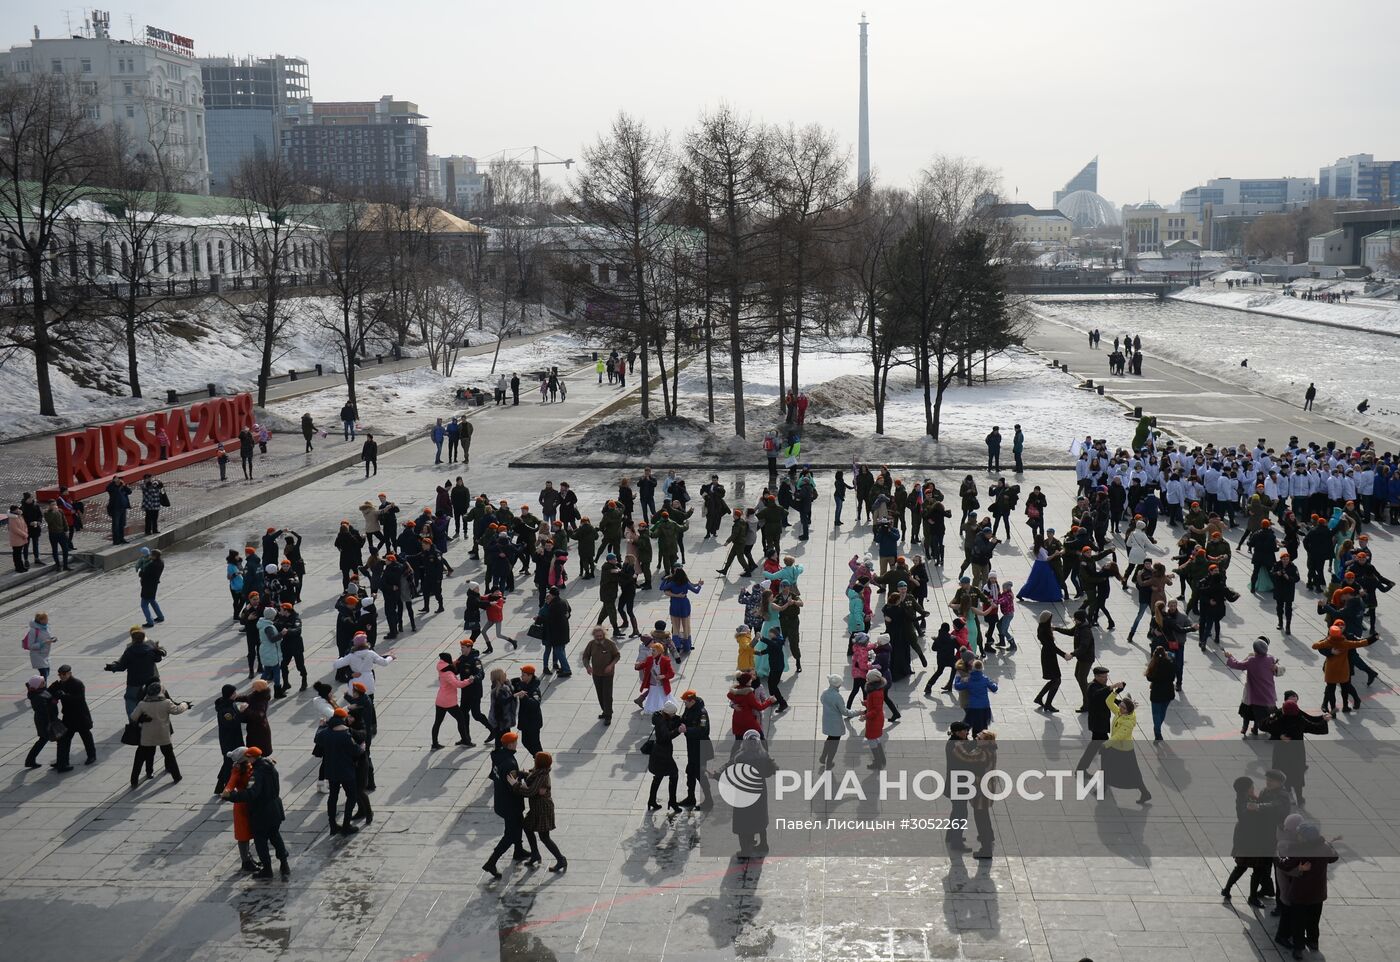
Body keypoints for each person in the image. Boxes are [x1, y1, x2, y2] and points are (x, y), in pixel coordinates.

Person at [221, 746, 291, 879]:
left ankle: (267, 869)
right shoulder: (271, 767)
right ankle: (284, 864)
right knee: (276, 837)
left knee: (261, 842)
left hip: (261, 813)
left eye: (249, 757)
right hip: (275, 808)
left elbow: (251, 794)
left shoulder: (256, 774)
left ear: (252, 757)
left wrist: (232, 796)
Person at [1277, 823, 1339, 957]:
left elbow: (1285, 865)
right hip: (1318, 893)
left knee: (1298, 922)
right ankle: (1313, 941)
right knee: (1313, 920)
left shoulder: (1299, 851)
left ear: (1304, 838)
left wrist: (1277, 856)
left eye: (1299, 834)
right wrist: (1330, 844)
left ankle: (1298, 949)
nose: (1297, 836)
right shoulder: (1324, 848)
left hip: (1300, 894)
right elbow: (1334, 857)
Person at [509, 751, 567, 872]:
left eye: (536, 759)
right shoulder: (539, 772)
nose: (534, 760)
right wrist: (521, 773)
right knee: (527, 827)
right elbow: (531, 776)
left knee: (544, 837)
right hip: (537, 808)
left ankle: (561, 859)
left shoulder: (542, 776)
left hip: (542, 810)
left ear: (539, 763)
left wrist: (515, 785)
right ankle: (535, 854)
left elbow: (531, 792)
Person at [128, 682, 191, 789]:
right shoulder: (166, 703)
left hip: (147, 736)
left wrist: (141, 718)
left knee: (139, 758)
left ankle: (134, 780)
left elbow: (133, 717)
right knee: (169, 756)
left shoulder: (142, 704)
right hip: (163, 735)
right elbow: (177, 710)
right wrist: (185, 704)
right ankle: (176, 776)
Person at [482, 731, 527, 878]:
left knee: (519, 824)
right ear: (511, 744)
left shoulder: (500, 756)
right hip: (510, 804)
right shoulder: (510, 762)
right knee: (509, 835)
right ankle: (491, 862)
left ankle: (518, 850)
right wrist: (525, 788)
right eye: (515, 742)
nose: (516, 744)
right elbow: (512, 785)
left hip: (501, 801)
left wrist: (520, 774)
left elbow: (505, 775)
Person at [316, 707, 364, 835]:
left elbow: (317, 739)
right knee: (352, 796)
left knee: (333, 797)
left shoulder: (325, 732)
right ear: (342, 719)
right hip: (346, 771)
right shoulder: (345, 735)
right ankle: (346, 825)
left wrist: (321, 726)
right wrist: (362, 748)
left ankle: (332, 825)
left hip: (331, 771)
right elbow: (356, 751)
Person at [1102, 685, 1151, 804]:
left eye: (1123, 707)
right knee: (1105, 767)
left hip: (1124, 750)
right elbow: (1108, 702)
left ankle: (1145, 793)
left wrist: (1105, 744)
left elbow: (1119, 736)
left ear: (1128, 711)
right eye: (1120, 706)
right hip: (1114, 747)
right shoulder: (1120, 713)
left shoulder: (1128, 722)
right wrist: (1116, 692)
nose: (1119, 708)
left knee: (1133, 773)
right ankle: (1102, 788)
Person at [1227, 638, 1280, 736]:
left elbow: (1237, 665)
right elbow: (1278, 670)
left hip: (1253, 693)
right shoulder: (1271, 659)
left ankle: (1246, 727)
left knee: (1249, 710)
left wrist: (1230, 657)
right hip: (1268, 693)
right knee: (1260, 712)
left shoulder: (1251, 660)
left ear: (1255, 650)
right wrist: (1276, 668)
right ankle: (1255, 728)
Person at [49, 665, 94, 770]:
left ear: (70, 673)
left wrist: (65, 696)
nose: (62, 676)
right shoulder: (59, 684)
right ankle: (62, 761)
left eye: (64, 674)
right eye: (60, 675)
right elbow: (48, 692)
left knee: (86, 736)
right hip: (68, 717)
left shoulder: (77, 684)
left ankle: (91, 756)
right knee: (63, 740)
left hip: (80, 715)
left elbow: (80, 699)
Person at [430, 652, 474, 749]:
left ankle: (434, 744)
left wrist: (457, 661)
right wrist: (469, 681)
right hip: (449, 702)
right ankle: (466, 740)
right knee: (461, 719)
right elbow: (457, 684)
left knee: (437, 722)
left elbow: (450, 665)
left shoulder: (441, 667)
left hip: (440, 700)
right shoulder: (448, 673)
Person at [646, 701, 683, 812]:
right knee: (674, 775)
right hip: (663, 754)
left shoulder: (661, 717)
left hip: (658, 753)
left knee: (658, 776)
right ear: (667, 714)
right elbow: (665, 737)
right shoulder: (661, 723)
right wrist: (678, 731)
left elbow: (673, 720)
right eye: (673, 714)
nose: (674, 715)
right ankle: (672, 801)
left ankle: (651, 800)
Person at [679, 689, 713, 807]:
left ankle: (709, 800)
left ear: (692, 701)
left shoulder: (702, 713)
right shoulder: (689, 708)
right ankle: (691, 798)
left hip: (701, 747)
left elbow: (703, 730)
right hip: (692, 747)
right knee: (690, 772)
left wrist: (688, 730)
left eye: (686, 702)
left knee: (700, 774)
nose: (684, 704)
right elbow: (683, 719)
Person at [581, 626, 621, 725]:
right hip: (596, 674)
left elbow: (617, 656)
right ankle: (606, 710)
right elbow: (585, 656)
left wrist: (611, 665)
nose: (599, 637)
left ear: (604, 635)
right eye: (597, 636)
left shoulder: (610, 644)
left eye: (600, 635)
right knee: (600, 693)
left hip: (608, 674)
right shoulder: (591, 644)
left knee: (607, 694)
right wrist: (588, 667)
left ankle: (608, 716)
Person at [1032, 612, 1071, 712]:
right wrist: (1064, 654)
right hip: (1049, 657)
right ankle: (1048, 704)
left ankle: (1039, 698)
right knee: (1057, 680)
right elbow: (1052, 647)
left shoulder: (1042, 627)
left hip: (1048, 655)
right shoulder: (1044, 630)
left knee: (1054, 680)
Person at [22, 675, 59, 770]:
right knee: (51, 739)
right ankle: (61, 760)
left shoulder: (39, 691)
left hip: (45, 720)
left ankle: (30, 760)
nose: (44, 683)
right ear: (37, 685)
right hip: (45, 721)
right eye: (42, 682)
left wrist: (52, 689)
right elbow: (45, 709)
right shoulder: (38, 697)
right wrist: (54, 701)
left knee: (43, 740)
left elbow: (47, 694)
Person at [1145, 646, 1176, 741]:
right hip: (1168, 692)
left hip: (1156, 693)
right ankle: (1157, 728)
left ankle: (1157, 731)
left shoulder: (1154, 664)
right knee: (1162, 712)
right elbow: (1172, 678)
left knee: (1156, 714)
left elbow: (1149, 677)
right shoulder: (1170, 664)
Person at [136, 548, 165, 627]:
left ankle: (150, 621)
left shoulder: (152, 565)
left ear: (155, 556)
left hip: (147, 586)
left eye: (151, 555)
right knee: (152, 600)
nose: (150, 556)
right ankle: (160, 617)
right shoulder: (161, 562)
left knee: (144, 604)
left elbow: (143, 574)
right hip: (154, 585)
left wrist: (141, 572)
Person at [24, 610, 55, 681]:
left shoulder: (46, 627)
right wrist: (43, 643)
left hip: (46, 655)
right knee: (44, 674)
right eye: (46, 619)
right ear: (41, 620)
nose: (48, 620)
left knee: (47, 672)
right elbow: (30, 645)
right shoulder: (33, 630)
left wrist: (53, 639)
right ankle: (43, 689)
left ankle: (42, 688)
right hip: (38, 655)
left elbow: (48, 636)